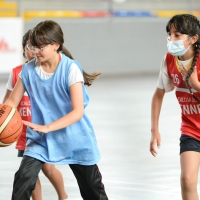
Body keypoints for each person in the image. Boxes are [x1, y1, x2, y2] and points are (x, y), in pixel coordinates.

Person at [4, 20, 108, 200]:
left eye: (40, 47)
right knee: (23, 179)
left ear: (56, 45)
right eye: (32, 46)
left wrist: (48, 127)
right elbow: (12, 101)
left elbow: (77, 112)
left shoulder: (70, 68)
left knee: (93, 192)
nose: (35, 51)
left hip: (75, 138)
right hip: (40, 139)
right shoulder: (28, 70)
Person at [3, 29, 68, 200]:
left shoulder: (49, 70)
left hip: (43, 127)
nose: (32, 51)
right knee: (30, 173)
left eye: (36, 47)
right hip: (23, 129)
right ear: (23, 49)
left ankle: (63, 196)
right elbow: (8, 103)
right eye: (29, 47)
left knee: (48, 168)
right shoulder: (18, 72)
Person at [150, 14, 200, 200]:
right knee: (187, 180)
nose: (171, 39)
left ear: (193, 38)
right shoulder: (169, 60)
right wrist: (155, 130)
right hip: (191, 130)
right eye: (170, 34)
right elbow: (158, 95)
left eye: (177, 35)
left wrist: (196, 85)